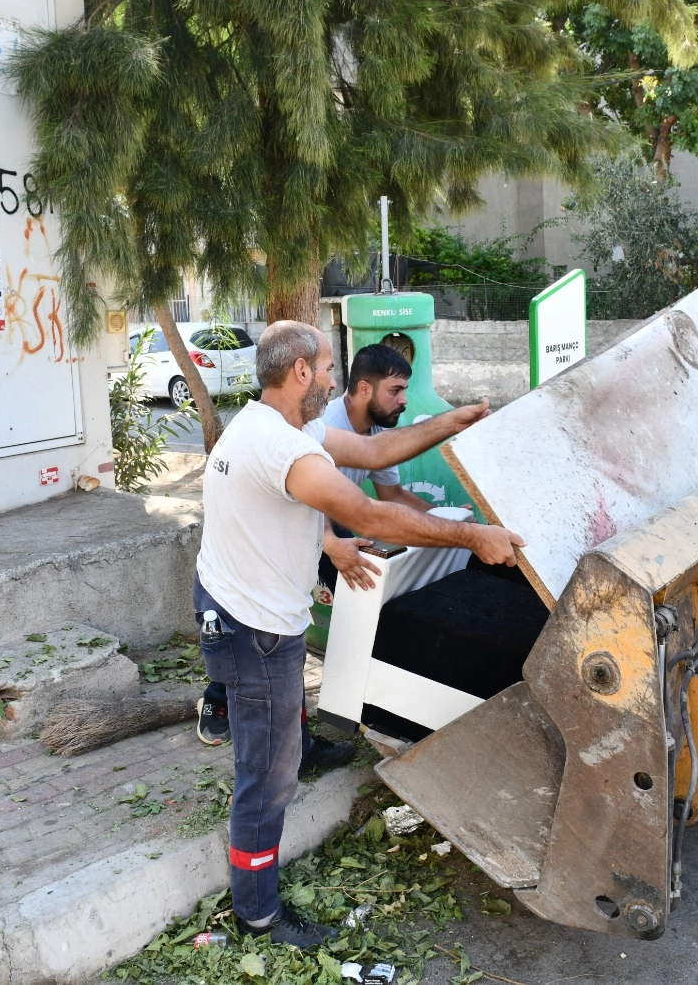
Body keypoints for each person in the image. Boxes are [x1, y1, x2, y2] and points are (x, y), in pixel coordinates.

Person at [195, 320, 521, 950]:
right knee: (266, 778)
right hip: (255, 630)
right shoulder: (283, 449)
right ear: (299, 374)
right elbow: (368, 513)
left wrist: (452, 423)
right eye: (326, 371)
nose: (334, 382)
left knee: (275, 746)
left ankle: (280, 742)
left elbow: (371, 454)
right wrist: (473, 535)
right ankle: (257, 913)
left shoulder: (286, 424)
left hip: (237, 605)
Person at [197, 343, 434, 759]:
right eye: (396, 391)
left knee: (278, 639)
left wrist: (454, 518)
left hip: (304, 537)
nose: (403, 400)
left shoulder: (345, 428)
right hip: (307, 537)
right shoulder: (311, 425)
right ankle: (229, 705)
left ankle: (303, 735)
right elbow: (338, 505)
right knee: (265, 641)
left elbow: (388, 489)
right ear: (365, 389)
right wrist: (332, 546)